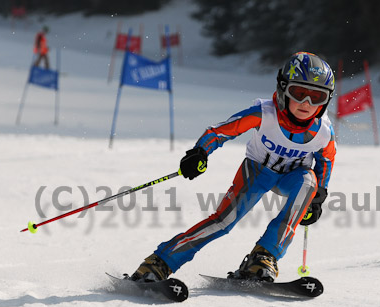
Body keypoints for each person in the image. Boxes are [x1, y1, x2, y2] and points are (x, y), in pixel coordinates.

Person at [130, 52, 336, 283]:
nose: (306, 104)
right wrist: (200, 152)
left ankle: (263, 257)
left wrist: (318, 197)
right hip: (258, 171)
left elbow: (326, 161)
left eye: (317, 97)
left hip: (294, 177)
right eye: (299, 93)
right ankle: (161, 261)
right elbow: (220, 131)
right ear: (283, 88)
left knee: (309, 183)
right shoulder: (265, 114)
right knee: (223, 222)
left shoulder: (323, 132)